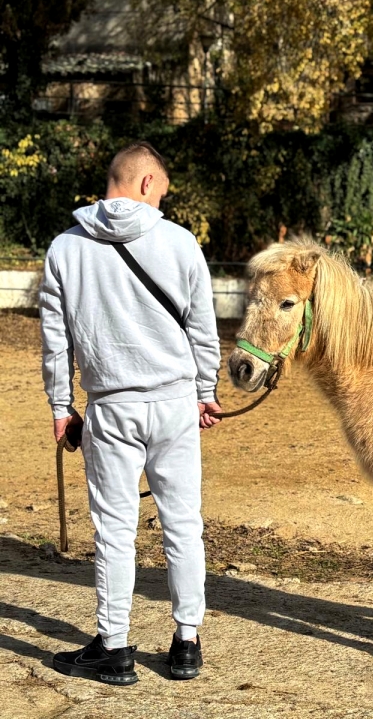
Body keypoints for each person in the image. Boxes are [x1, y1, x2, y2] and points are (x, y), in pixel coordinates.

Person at [40, 141, 222, 685]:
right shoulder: (180, 241)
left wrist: (59, 405)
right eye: (162, 192)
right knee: (183, 526)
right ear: (145, 184)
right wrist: (205, 389)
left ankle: (115, 648)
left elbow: (56, 341)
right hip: (173, 403)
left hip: (109, 406)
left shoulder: (65, 249)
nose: (162, 203)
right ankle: (186, 642)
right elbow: (202, 328)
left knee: (114, 530)